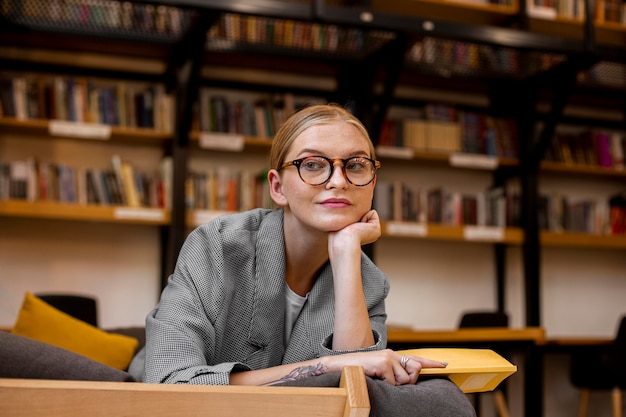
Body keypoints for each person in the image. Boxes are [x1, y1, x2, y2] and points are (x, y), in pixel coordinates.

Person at [131, 103, 475, 416]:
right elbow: (170, 386)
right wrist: (323, 367)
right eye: (312, 164)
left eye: (355, 165)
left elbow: (357, 394)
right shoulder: (217, 245)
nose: (338, 181)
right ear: (277, 187)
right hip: (153, 403)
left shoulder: (368, 281)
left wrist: (345, 254)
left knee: (444, 399)